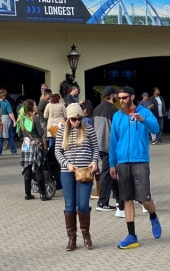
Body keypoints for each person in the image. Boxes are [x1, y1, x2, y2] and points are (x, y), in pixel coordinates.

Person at [110, 87, 162, 250]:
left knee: (144, 199)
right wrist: (112, 164)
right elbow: (113, 141)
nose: (121, 101)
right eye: (119, 98)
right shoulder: (117, 116)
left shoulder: (145, 112)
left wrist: (142, 120)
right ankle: (132, 236)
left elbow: (156, 129)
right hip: (122, 162)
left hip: (140, 160)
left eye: (124, 97)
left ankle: (153, 216)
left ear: (132, 97)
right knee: (127, 199)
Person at [55, 103, 99, 250]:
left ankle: (86, 234)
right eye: (73, 119)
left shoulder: (88, 129)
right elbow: (57, 151)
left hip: (85, 171)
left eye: (78, 118)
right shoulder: (62, 131)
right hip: (67, 171)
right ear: (68, 119)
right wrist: (67, 164)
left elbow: (95, 148)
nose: (76, 122)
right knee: (69, 205)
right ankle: (71, 238)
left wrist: (94, 161)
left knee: (83, 205)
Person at [93, 87, 120, 212]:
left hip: (97, 144)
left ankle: (120, 199)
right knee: (108, 173)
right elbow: (117, 130)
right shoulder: (114, 110)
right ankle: (102, 202)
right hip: (108, 145)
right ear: (112, 95)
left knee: (112, 172)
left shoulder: (97, 108)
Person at [18, 100, 44, 200]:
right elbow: (41, 133)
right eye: (35, 105)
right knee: (38, 166)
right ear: (31, 107)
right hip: (35, 144)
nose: (36, 106)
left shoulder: (21, 119)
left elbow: (19, 135)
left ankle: (27, 193)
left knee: (27, 167)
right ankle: (43, 194)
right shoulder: (34, 118)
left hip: (25, 144)